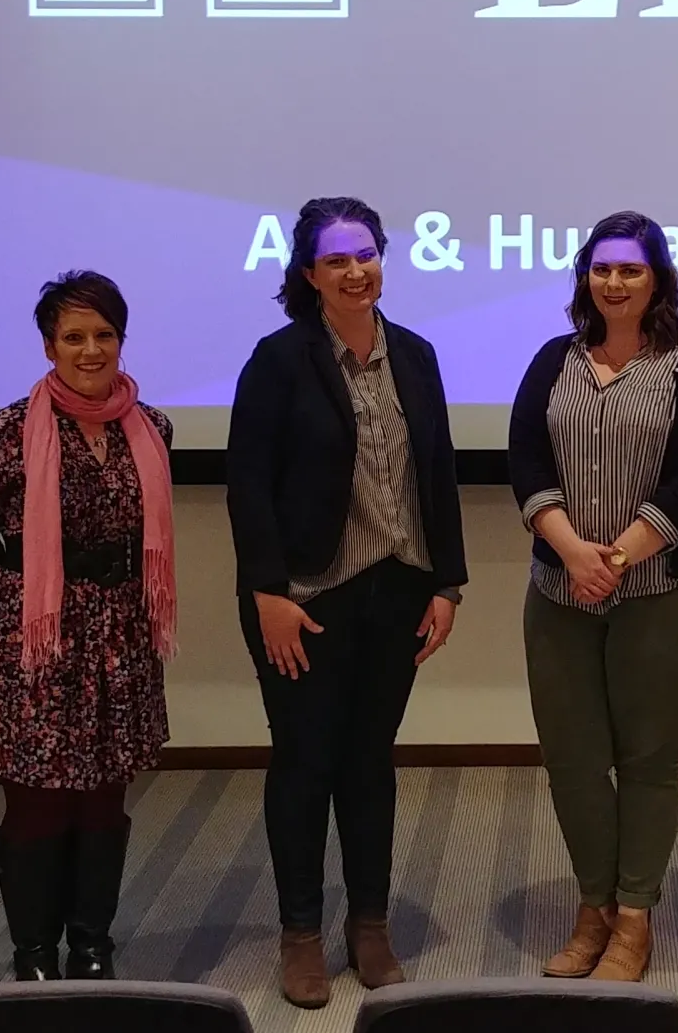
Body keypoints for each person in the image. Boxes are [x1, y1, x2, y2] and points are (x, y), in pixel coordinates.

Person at [227, 198, 466, 1009]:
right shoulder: (278, 359)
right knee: (304, 764)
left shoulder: (418, 355)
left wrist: (447, 582)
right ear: (308, 274)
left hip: (396, 591)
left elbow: (436, 474)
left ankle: (369, 923)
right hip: (304, 599)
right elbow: (248, 485)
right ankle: (300, 933)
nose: (356, 269)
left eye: (366, 253)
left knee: (370, 764)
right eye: (337, 259)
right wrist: (267, 593)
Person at [508, 212, 678, 984]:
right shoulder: (553, 360)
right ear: (585, 278)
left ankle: (634, 918)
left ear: (657, 279)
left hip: (668, 592)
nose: (614, 282)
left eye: (630, 270)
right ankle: (592, 909)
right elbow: (524, 456)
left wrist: (618, 553)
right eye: (601, 269)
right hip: (561, 592)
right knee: (571, 760)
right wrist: (574, 553)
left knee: (647, 761)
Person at [0, 272, 176, 981]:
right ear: (49, 344)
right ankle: (35, 950)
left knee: (105, 798)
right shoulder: (1, 432)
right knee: (40, 802)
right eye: (74, 336)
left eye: (104, 334)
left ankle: (93, 943)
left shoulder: (153, 426)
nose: (90, 348)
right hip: (32, 642)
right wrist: (28, 616)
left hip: (120, 639)